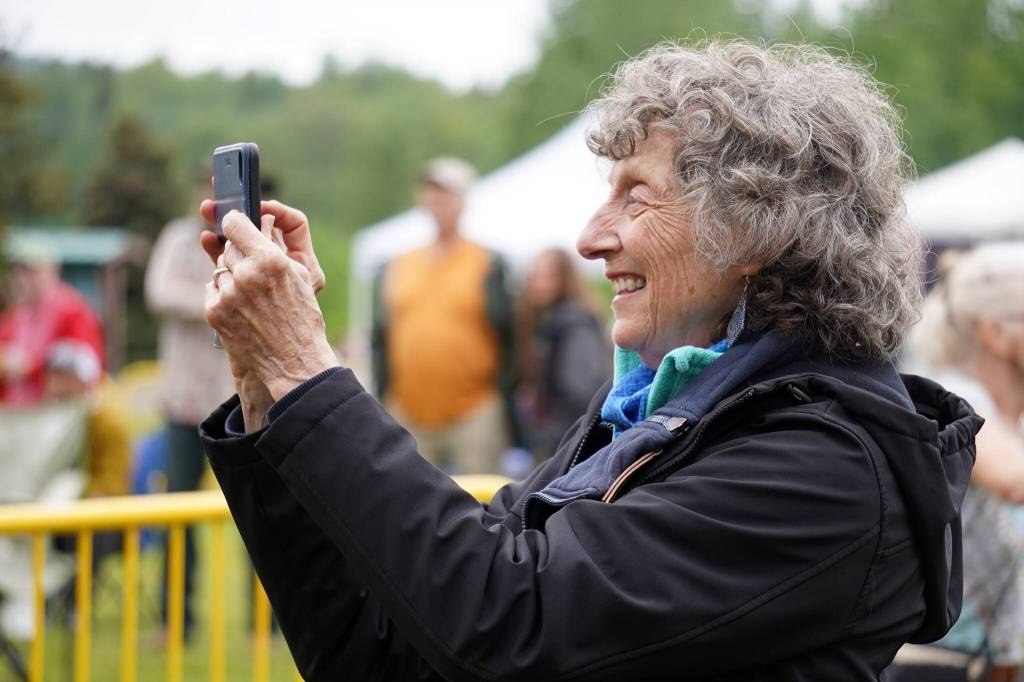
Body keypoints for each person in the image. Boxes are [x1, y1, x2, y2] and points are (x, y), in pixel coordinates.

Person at [197, 42, 980, 680]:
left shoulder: (826, 466)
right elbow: (380, 653)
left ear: (756, 233)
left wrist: (309, 365)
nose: (588, 238)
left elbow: (502, 622)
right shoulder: (648, 423)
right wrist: (269, 386)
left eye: (635, 196)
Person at [885, 245, 1024, 682]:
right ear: (996, 334)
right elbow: (1015, 480)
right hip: (938, 669)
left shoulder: (1011, 416)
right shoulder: (952, 400)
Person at [371, 157, 518, 473]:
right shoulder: (398, 265)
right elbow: (380, 336)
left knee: (485, 504)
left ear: (464, 201)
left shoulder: (488, 262)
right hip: (408, 409)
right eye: (431, 192)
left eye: (447, 193)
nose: (438, 201)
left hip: (475, 409)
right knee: (404, 504)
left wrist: (501, 394)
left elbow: (510, 336)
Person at [144, 174, 236, 637]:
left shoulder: (248, 237)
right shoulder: (178, 237)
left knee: (260, 511)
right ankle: (175, 620)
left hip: (235, 400)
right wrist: (216, 298)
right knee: (177, 513)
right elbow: (158, 291)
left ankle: (274, 626)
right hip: (183, 403)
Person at [518, 248, 610, 459]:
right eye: (533, 275)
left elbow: (579, 390)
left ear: (563, 279)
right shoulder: (553, 322)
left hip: (568, 443)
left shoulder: (574, 324)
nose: (534, 282)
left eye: (543, 276)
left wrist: (554, 438)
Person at [0, 240, 104, 406]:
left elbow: (85, 372)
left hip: (55, 416)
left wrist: (29, 369)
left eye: (30, 271)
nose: (21, 278)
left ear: (52, 270)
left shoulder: (72, 310)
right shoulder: (17, 315)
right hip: (17, 412)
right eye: (17, 270)